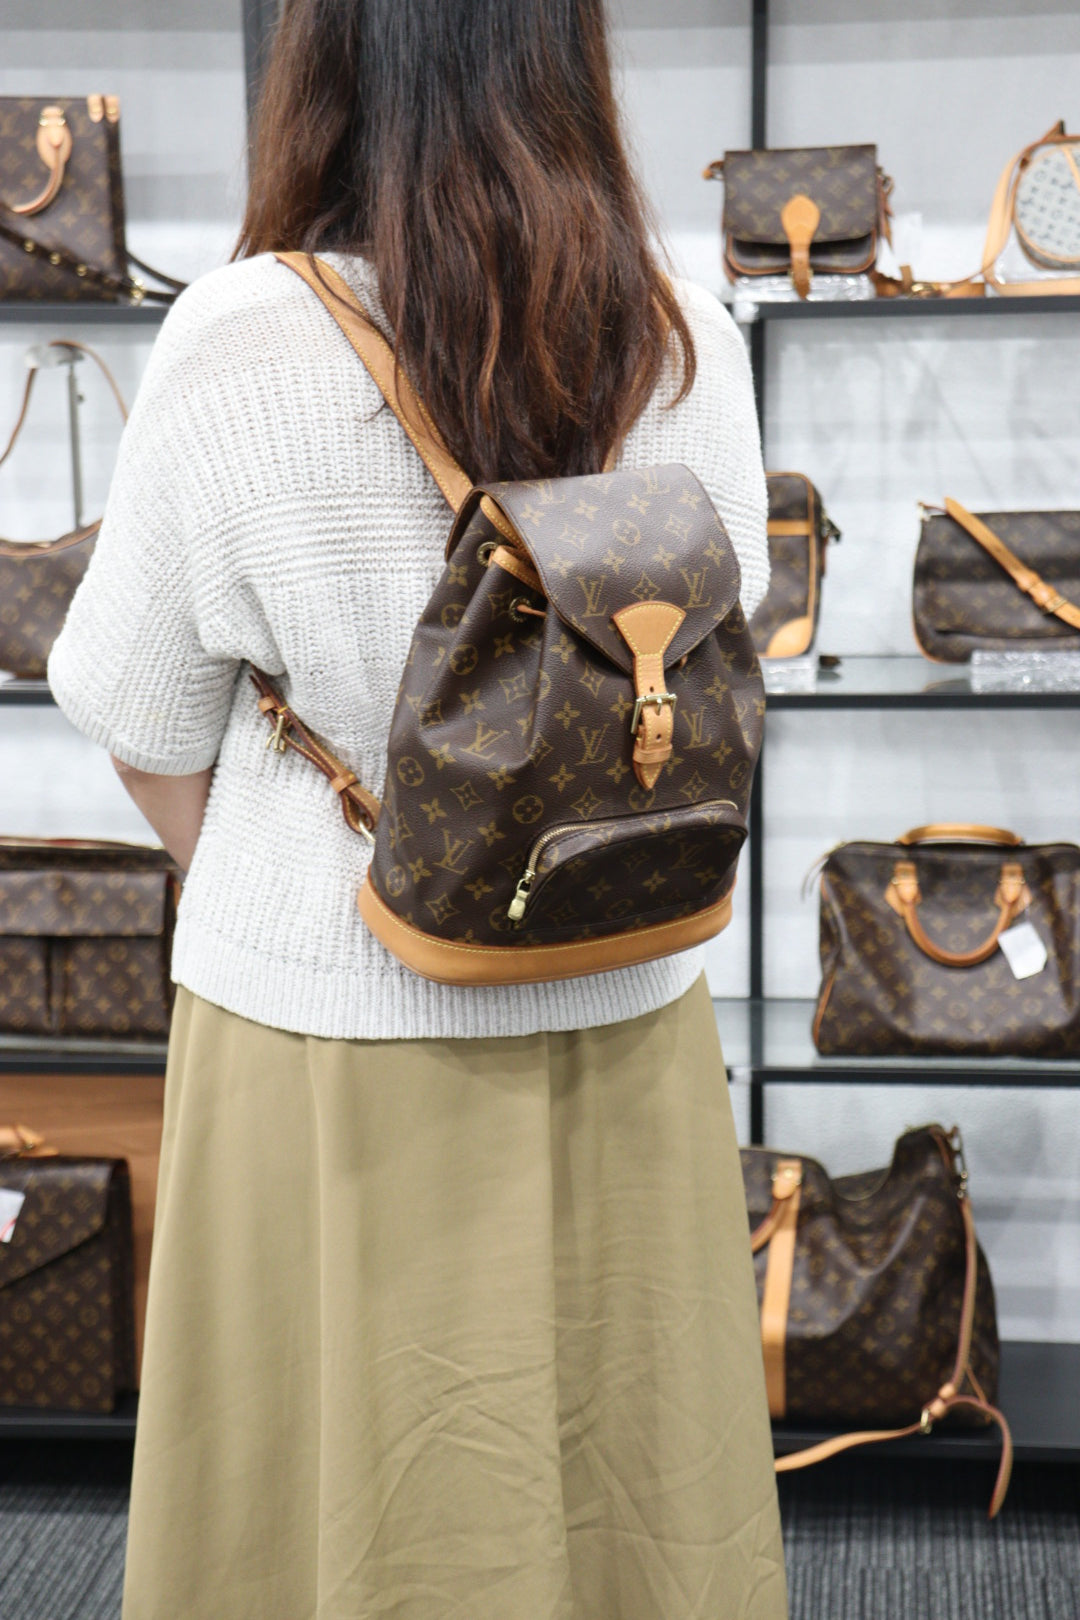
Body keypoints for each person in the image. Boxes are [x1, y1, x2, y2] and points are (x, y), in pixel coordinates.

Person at [48, 2, 787, 1615]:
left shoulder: (240, 335)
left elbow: (135, 710)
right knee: (627, 1491)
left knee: (324, 1497)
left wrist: (354, 882)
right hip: (621, 1002)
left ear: (328, 62)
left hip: (321, 1036)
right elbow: (732, 654)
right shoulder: (681, 329)